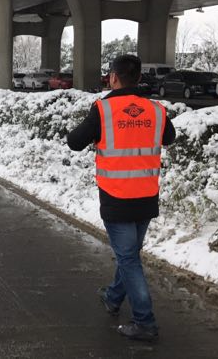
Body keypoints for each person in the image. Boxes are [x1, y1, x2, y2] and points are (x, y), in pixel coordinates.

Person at [67, 54, 176, 342]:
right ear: (138, 78)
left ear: (113, 78)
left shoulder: (103, 110)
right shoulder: (156, 110)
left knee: (128, 258)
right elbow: (169, 138)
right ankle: (113, 297)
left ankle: (145, 321)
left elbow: (75, 142)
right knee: (130, 256)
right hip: (147, 196)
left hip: (116, 197)